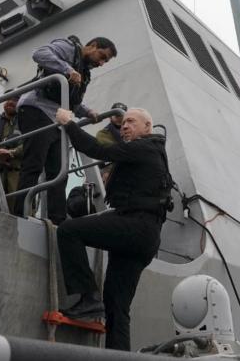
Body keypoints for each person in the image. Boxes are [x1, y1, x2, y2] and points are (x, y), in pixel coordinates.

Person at [54, 106, 172, 351]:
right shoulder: (153, 151)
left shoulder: (144, 147)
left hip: (135, 226)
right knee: (117, 306)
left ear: (147, 127)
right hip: (146, 236)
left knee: (68, 230)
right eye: (123, 123)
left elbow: (99, 149)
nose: (125, 126)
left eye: (131, 122)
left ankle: (87, 297)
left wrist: (69, 123)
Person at [14, 36, 117, 223]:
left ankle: (57, 219)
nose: (101, 63)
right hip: (36, 109)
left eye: (105, 61)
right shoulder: (68, 48)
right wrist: (67, 69)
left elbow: (72, 102)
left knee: (59, 171)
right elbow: (39, 53)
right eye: (102, 56)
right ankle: (19, 212)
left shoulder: (84, 72)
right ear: (92, 46)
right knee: (34, 164)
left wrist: (87, 112)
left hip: (57, 119)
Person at [0, 95, 23, 211]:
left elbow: (31, 144)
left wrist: (11, 152)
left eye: (15, 100)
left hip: (15, 174)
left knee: (15, 209)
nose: (10, 102)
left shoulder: (26, 123)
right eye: (8, 99)